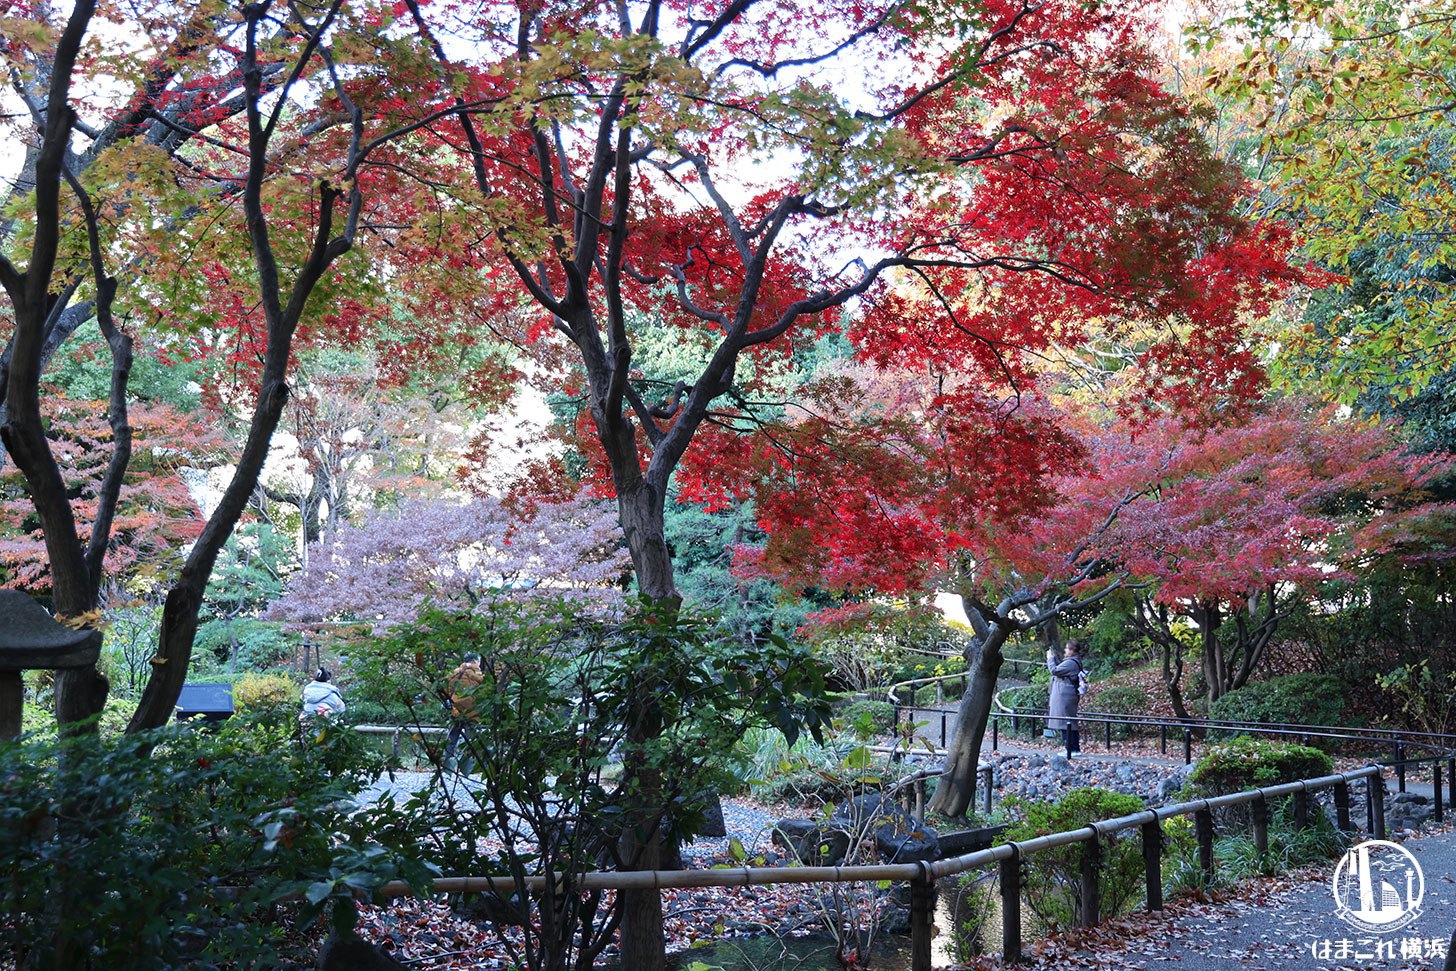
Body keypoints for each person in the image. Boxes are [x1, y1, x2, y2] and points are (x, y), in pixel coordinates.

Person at [1045, 639, 1087, 756]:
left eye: (1067, 648)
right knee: (1068, 722)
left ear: (1072, 650)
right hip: (1067, 694)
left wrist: (1050, 658)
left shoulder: (1071, 663)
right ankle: (1073, 748)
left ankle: (1071, 749)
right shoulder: (1073, 661)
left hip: (1065, 695)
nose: (1065, 650)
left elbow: (1054, 670)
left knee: (1066, 722)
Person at [442, 653, 484, 769]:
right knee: (472, 740)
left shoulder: (454, 674)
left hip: (456, 711)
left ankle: (447, 764)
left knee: (452, 738)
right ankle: (471, 765)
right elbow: (484, 692)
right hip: (472, 712)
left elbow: (443, 690)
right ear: (476, 661)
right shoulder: (478, 675)